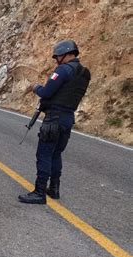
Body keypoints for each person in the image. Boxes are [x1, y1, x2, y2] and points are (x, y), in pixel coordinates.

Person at [19, 40, 91, 204]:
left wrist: (36, 88)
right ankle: (54, 188)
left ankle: (39, 192)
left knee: (44, 154)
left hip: (54, 119)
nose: (56, 59)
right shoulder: (85, 73)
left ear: (66, 54)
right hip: (67, 118)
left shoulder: (63, 70)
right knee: (56, 153)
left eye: (58, 56)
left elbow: (46, 92)